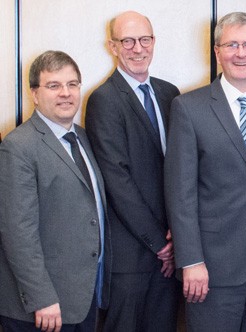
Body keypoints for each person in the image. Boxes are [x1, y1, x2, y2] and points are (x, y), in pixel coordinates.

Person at [164, 11, 246, 332]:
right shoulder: (189, 108)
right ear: (217, 52)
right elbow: (180, 193)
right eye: (232, 45)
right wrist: (191, 260)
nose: (242, 53)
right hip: (212, 266)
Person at [0, 50, 110, 331]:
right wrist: (41, 298)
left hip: (83, 297)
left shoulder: (83, 137)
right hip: (43, 308)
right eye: (54, 85)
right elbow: (17, 231)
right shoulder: (18, 146)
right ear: (35, 94)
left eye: (72, 84)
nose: (66, 93)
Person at [84, 11, 181, 331]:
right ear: (112, 46)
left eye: (145, 39)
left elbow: (181, 171)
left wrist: (176, 239)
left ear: (154, 42)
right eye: (127, 41)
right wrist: (160, 244)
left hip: (171, 253)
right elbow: (117, 180)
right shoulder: (104, 99)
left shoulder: (170, 94)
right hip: (131, 258)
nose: (138, 48)